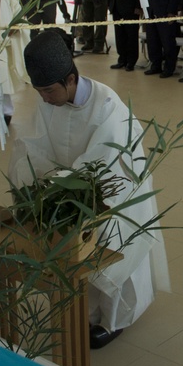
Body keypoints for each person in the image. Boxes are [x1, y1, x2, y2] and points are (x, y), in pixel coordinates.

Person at [10, 30, 170, 348]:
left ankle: (116, 319)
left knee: (110, 245)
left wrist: (61, 183)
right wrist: (41, 182)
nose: (43, 98)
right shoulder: (49, 101)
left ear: (70, 79)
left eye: (48, 91)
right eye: (39, 91)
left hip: (114, 197)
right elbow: (36, 145)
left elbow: (105, 167)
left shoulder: (108, 111)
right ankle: (83, 306)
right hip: (70, 190)